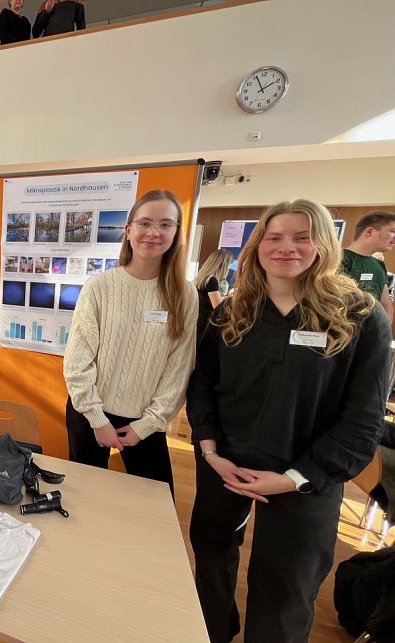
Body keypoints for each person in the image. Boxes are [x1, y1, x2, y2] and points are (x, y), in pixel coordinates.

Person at [186, 199, 390, 642]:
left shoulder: (360, 318)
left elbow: (363, 421)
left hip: (306, 477)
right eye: (274, 237)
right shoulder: (232, 313)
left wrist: (296, 478)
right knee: (212, 559)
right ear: (258, 245)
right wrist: (210, 450)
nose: (287, 248)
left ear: (324, 244)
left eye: (302, 237)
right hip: (227, 465)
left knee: (284, 589)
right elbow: (203, 385)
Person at [63, 189, 197, 497]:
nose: (154, 232)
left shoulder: (184, 293)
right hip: (89, 413)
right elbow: (77, 362)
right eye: (145, 223)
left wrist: (148, 424)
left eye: (165, 224)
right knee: (85, 497)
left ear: (176, 233)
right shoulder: (99, 286)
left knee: (155, 503)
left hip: (144, 417)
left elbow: (180, 366)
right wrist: (97, 419)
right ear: (128, 230)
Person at [341, 210, 395, 323]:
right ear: (369, 232)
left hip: (374, 335)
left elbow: (385, 305)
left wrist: (383, 334)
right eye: (392, 231)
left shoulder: (379, 265)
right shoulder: (339, 259)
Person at [192, 249, 233, 341]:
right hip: (206, 323)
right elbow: (218, 307)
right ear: (223, 265)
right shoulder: (212, 280)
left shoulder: (202, 279)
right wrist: (230, 299)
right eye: (229, 265)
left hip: (198, 320)